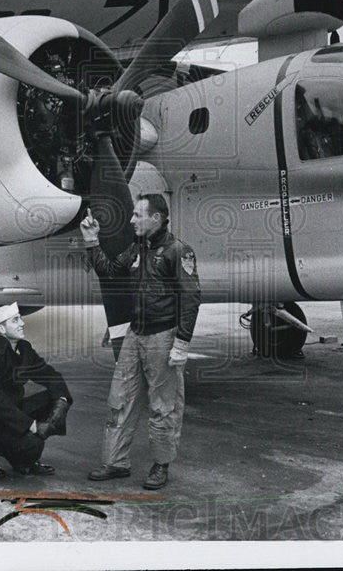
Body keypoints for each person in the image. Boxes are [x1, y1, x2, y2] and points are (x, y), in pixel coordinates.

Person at [81, 194, 201, 490]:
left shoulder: (177, 251)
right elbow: (109, 272)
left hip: (163, 336)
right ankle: (116, 462)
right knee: (119, 398)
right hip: (136, 335)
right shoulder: (136, 249)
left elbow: (191, 297)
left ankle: (161, 465)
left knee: (164, 406)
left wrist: (182, 342)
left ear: (156, 218)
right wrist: (91, 240)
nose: (132, 220)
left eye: (138, 215)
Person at [0, 303, 72, 477]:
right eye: (15, 320)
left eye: (20, 318)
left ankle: (23, 461)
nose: (22, 323)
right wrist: (31, 426)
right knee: (32, 444)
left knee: (52, 397)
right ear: (1, 328)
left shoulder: (23, 348)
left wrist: (62, 400)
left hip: (11, 410)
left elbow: (49, 374)